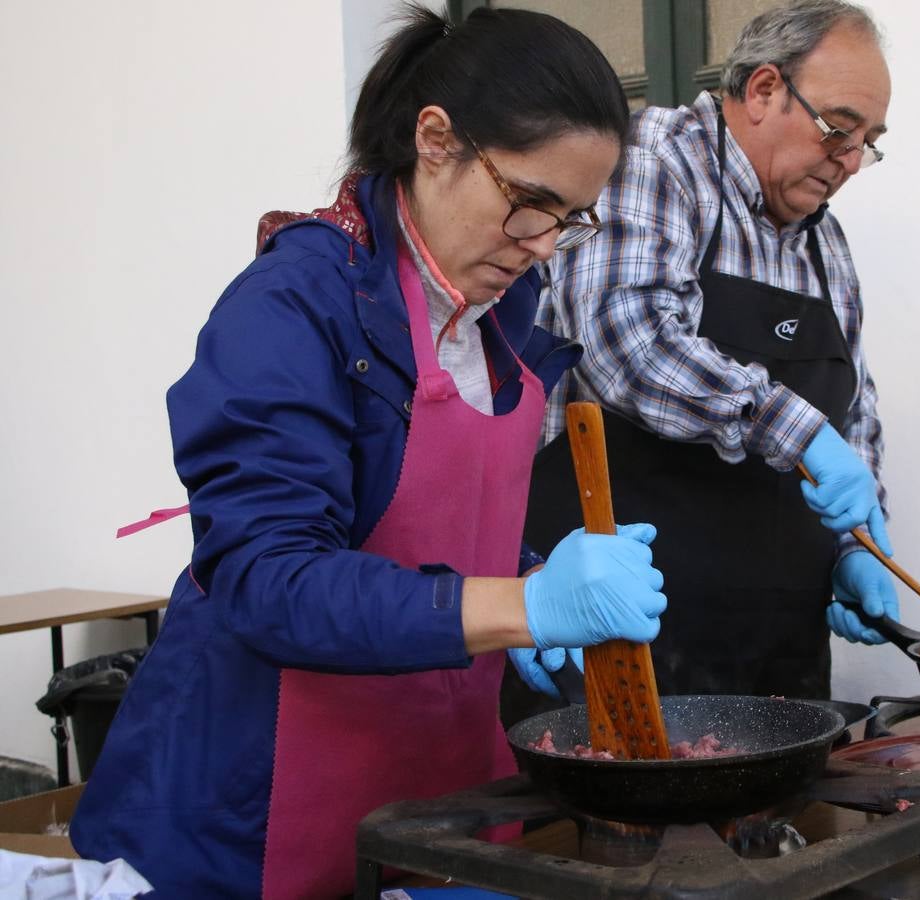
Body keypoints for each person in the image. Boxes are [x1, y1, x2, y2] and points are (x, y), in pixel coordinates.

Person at [71, 7, 665, 897]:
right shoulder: (292, 306)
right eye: (529, 201)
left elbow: (429, 521)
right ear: (436, 140)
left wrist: (532, 573)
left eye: (570, 218)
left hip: (439, 791)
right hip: (256, 804)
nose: (543, 244)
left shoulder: (500, 311)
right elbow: (268, 578)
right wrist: (524, 605)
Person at [503, 0, 896, 727]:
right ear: (764, 89)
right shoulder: (652, 160)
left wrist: (856, 543)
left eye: (867, 143)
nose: (849, 160)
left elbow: (856, 406)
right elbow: (626, 341)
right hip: (622, 630)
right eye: (838, 128)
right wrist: (799, 432)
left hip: (777, 647)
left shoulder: (826, 244)